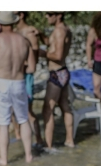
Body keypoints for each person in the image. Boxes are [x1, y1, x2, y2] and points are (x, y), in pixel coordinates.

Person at [0, 11, 36, 165]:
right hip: (19, 82)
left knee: (4, 123)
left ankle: (4, 159)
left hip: (2, 82)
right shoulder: (24, 41)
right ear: (14, 22)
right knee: (23, 119)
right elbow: (32, 68)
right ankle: (28, 155)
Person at [39, 12, 74, 149]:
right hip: (63, 71)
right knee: (65, 105)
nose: (46, 16)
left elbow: (58, 55)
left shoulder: (59, 31)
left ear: (58, 15)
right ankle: (69, 140)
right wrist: (41, 35)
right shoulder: (65, 29)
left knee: (48, 109)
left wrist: (42, 54)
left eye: (49, 13)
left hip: (57, 73)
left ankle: (48, 146)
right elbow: (50, 43)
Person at [12, 11, 44, 147]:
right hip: (14, 74)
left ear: (21, 14)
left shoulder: (29, 32)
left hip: (25, 75)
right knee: (13, 108)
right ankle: (18, 136)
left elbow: (34, 57)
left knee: (27, 110)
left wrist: (26, 66)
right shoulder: (14, 30)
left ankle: (38, 139)